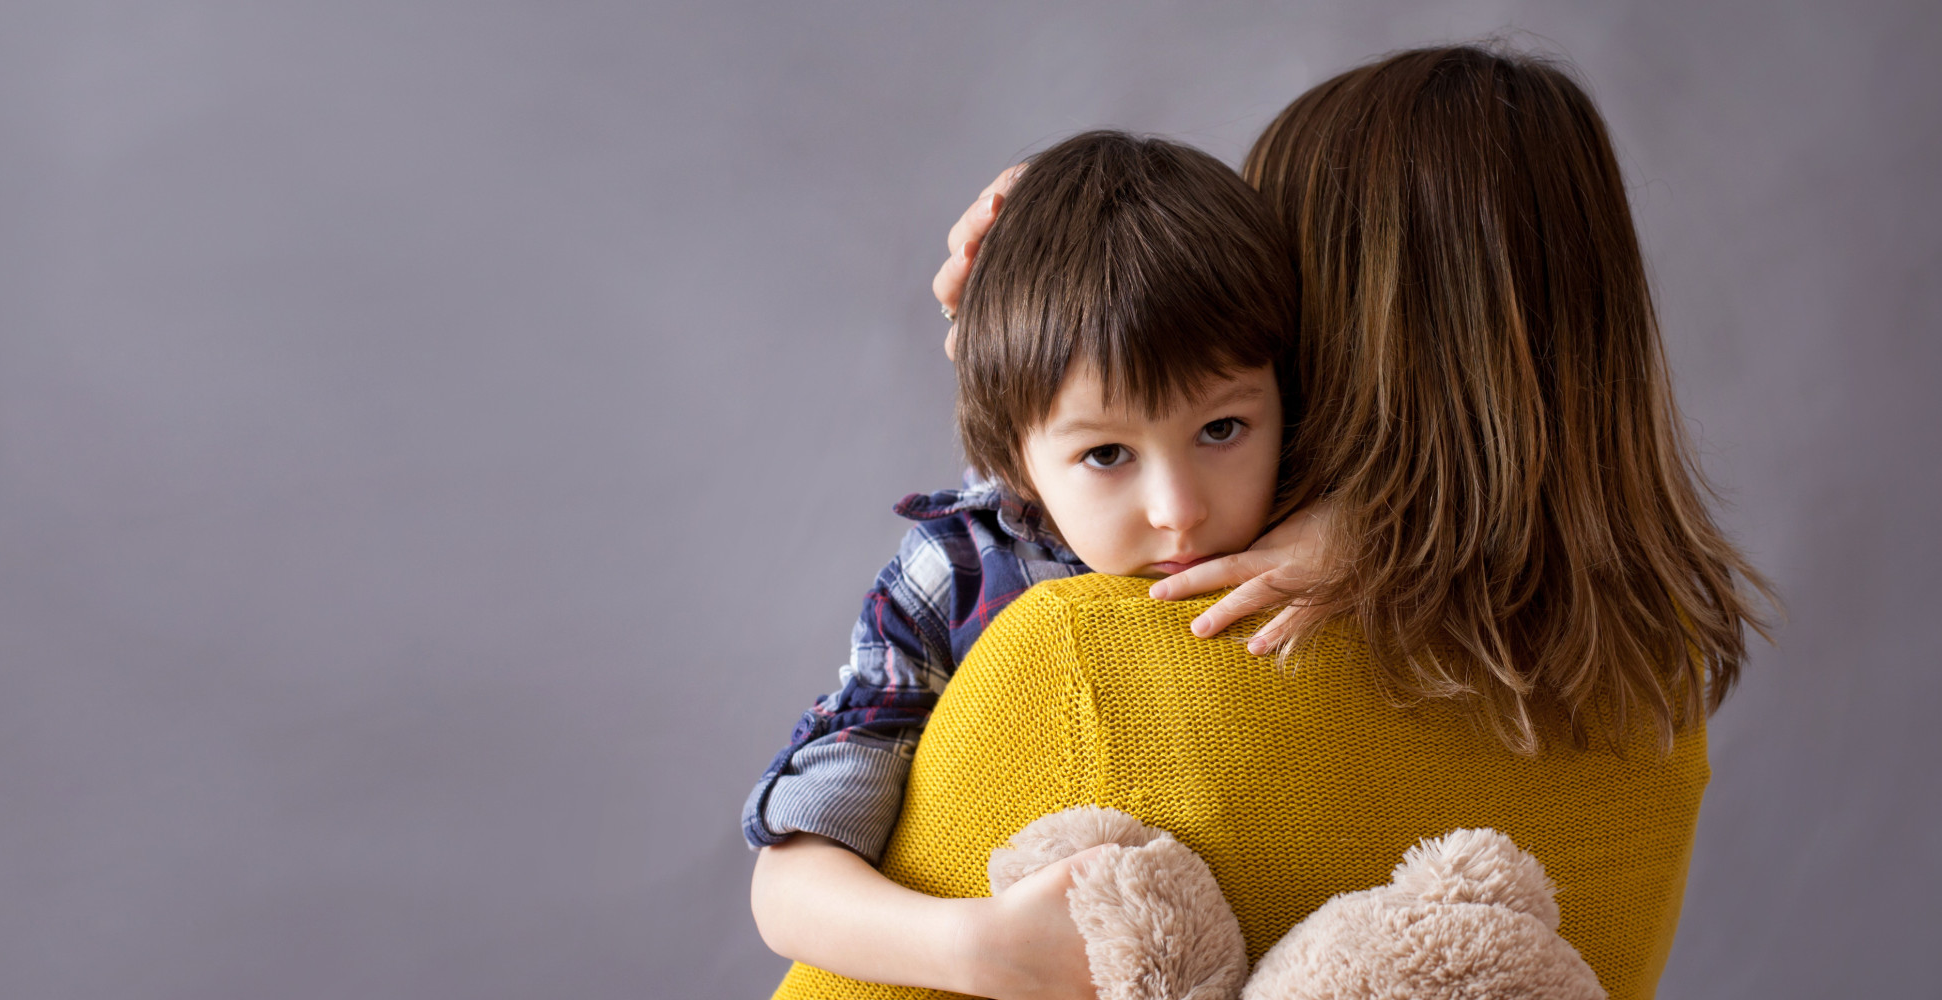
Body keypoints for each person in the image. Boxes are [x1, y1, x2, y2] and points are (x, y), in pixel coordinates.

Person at [757, 44, 1773, 1000]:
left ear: (1315, 333)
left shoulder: (1081, 652)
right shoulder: (1656, 691)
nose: (1174, 507)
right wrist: (1065, 259)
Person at [746, 129, 1302, 994]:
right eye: (1108, 455)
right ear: (1013, 457)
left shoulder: (1310, 519)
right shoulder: (961, 575)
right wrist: (978, 948)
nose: (1179, 510)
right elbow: (790, 881)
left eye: (1221, 430)